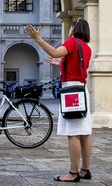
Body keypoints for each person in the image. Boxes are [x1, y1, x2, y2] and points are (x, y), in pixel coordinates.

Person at [27, 19, 93, 182]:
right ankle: (85, 169)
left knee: (73, 133)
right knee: (84, 133)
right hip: (81, 90)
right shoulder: (86, 47)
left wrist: (38, 38)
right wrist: (61, 63)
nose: (69, 29)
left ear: (75, 28)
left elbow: (55, 52)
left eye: (71, 26)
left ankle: (73, 173)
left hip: (71, 91)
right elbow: (75, 65)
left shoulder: (71, 42)